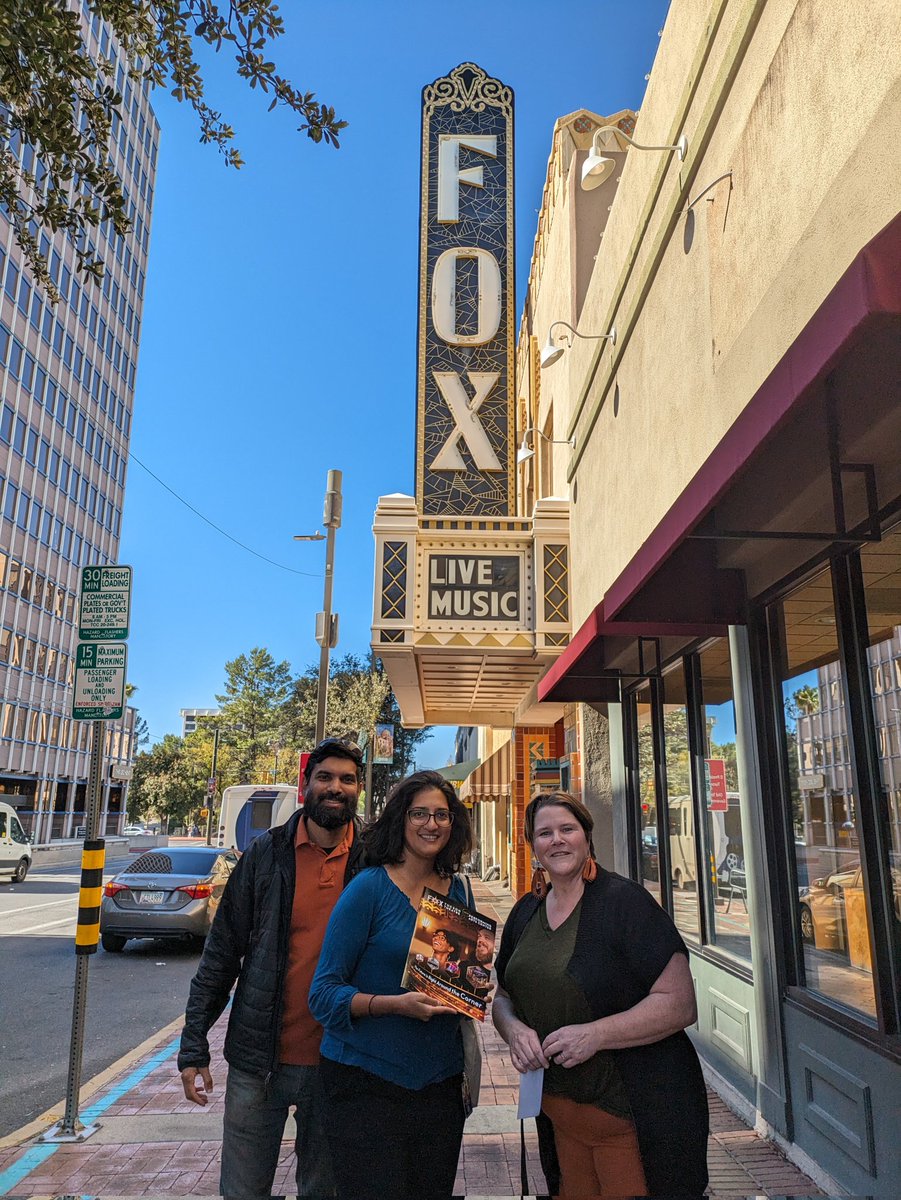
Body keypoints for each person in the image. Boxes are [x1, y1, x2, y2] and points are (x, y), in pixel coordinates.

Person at [493, 791, 708, 1199]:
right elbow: (503, 995)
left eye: (567, 829)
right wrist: (514, 1031)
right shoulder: (526, 910)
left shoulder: (624, 903)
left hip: (629, 1118)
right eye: (544, 833)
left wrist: (595, 1035)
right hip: (559, 1119)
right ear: (532, 845)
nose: (556, 840)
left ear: (586, 837)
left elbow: (679, 1003)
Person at [177, 738, 367, 1200]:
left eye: (347, 779)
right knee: (243, 1191)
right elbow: (222, 954)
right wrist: (193, 1044)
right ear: (306, 785)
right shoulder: (264, 856)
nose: (335, 787)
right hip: (258, 1061)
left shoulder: (376, 859)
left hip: (341, 1062)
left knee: (326, 1191)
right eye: (324, 777)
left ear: (360, 788)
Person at [309, 769, 475, 1200]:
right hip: (364, 1084)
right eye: (419, 813)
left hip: (438, 1085)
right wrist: (391, 1005)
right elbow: (322, 994)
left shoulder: (460, 893)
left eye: (442, 815)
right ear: (400, 819)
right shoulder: (368, 888)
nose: (431, 824)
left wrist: (471, 991)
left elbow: (455, 980)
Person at [456, 927, 495, 998]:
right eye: (479, 936)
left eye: (487, 937)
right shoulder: (464, 967)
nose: (479, 940)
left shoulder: (500, 977)